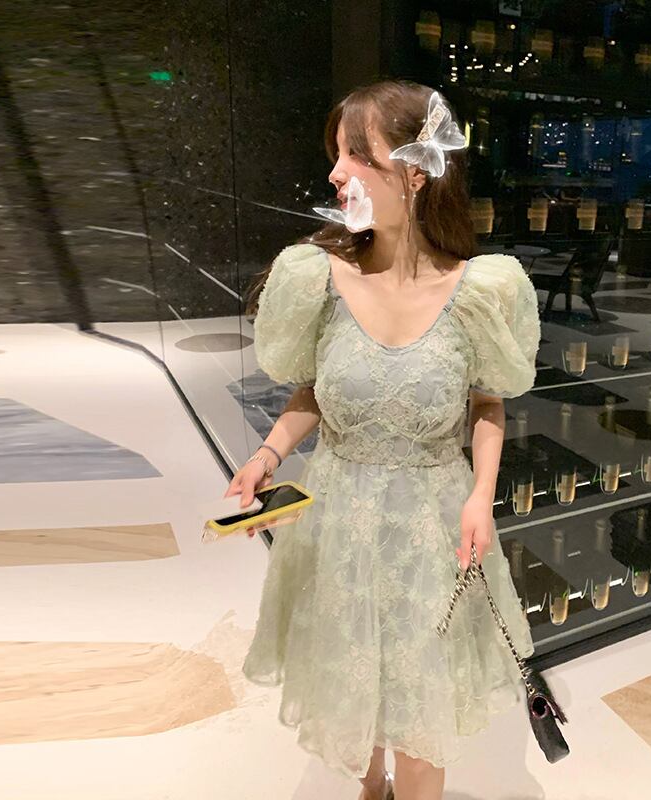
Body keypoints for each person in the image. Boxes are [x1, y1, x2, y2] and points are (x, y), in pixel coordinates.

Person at [224, 80, 541, 800]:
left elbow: (487, 402)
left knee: (420, 713)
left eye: (356, 155)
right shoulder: (318, 278)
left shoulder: (480, 290)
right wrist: (267, 455)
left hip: (433, 528)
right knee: (353, 699)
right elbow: (315, 390)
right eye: (336, 156)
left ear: (415, 172)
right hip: (337, 520)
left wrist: (482, 497)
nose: (336, 174)